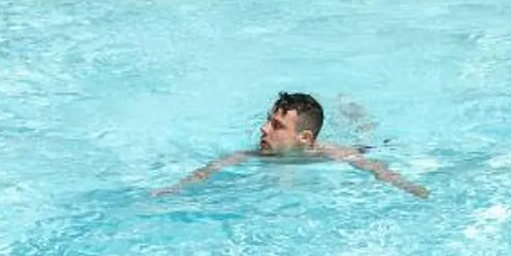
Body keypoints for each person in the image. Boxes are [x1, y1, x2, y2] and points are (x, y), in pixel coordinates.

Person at [162, 91, 428, 197]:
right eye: (268, 121)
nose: (264, 129)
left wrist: (411, 188)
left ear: (305, 139)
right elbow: (210, 169)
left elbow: (377, 169)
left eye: (277, 126)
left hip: (358, 148)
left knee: (365, 140)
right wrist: (175, 189)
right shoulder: (256, 153)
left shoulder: (331, 154)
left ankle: (358, 116)